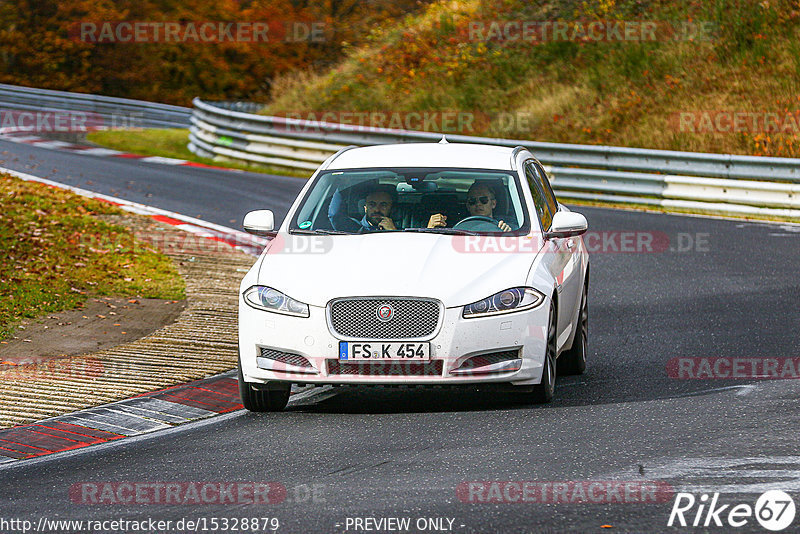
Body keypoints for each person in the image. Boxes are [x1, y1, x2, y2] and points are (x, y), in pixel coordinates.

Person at [427, 182, 511, 231]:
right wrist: (430, 228)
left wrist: (508, 235)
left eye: (483, 200)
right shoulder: (452, 226)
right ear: (467, 206)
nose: (478, 204)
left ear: (493, 204)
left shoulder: (510, 225)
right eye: (472, 201)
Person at [328, 184, 398, 232]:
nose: (377, 209)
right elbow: (335, 215)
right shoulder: (354, 228)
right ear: (365, 207)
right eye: (372, 205)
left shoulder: (404, 230)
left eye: (383, 205)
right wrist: (342, 185)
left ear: (391, 208)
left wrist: (393, 231)